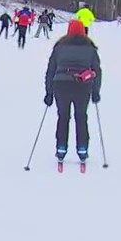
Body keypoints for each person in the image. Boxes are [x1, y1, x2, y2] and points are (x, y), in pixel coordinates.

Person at [44, 19, 102, 163]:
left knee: (63, 116)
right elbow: (97, 71)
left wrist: (49, 92)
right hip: (83, 85)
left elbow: (51, 71)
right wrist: (96, 91)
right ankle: (82, 149)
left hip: (61, 84)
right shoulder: (90, 48)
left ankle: (61, 148)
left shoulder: (59, 48)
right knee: (81, 116)